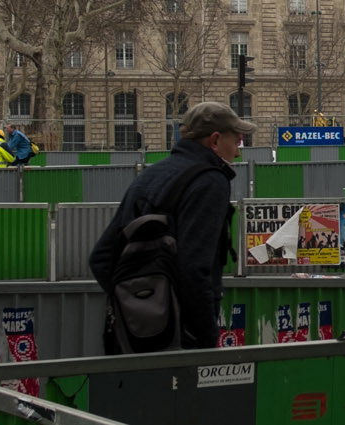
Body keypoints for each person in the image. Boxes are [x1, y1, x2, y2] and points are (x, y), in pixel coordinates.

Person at [89, 102, 247, 352]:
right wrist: (206, 341)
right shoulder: (210, 181)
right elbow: (195, 269)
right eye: (237, 141)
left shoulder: (152, 174)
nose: (238, 151)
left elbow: (100, 258)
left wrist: (136, 307)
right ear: (215, 140)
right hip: (182, 342)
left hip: (130, 336)